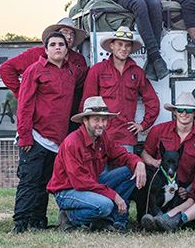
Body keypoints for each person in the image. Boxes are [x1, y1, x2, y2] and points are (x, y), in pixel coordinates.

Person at [10, 32, 86, 234]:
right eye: (53, 44)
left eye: (61, 44)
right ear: (46, 49)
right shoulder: (34, 71)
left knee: (45, 182)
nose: (58, 47)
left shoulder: (72, 72)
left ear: (67, 49)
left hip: (57, 139)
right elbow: (24, 105)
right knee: (29, 181)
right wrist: (24, 135)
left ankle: (38, 221)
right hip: (35, 136)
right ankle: (20, 223)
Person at [48, 96, 147, 233]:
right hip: (68, 190)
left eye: (104, 120)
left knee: (130, 172)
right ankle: (68, 217)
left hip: (90, 185)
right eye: (96, 120)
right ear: (85, 120)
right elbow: (80, 182)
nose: (101, 124)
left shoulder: (103, 137)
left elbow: (121, 154)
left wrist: (138, 163)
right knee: (104, 205)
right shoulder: (73, 142)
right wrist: (114, 195)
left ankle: (109, 221)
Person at [0, 17, 89, 133]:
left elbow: (83, 85)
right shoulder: (36, 54)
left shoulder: (78, 59)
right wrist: (21, 92)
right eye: (65, 32)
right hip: (40, 121)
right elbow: (6, 69)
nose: (69, 36)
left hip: (70, 119)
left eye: (72, 34)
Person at [81, 26, 159, 151]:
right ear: (111, 45)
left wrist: (143, 125)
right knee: (101, 171)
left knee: (125, 170)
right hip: (101, 136)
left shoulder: (137, 73)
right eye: (120, 44)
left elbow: (153, 102)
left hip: (126, 137)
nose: (123, 49)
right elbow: (86, 102)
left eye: (127, 45)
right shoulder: (97, 70)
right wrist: (88, 133)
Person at [140, 92, 195, 215]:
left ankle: (170, 218)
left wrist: (189, 189)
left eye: (188, 110)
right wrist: (154, 162)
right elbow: (145, 153)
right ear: (175, 112)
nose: (184, 113)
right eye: (180, 109)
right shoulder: (158, 130)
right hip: (159, 186)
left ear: (194, 113)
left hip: (184, 189)